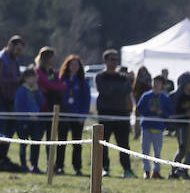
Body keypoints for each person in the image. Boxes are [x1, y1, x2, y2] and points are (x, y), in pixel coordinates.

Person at [95, 50, 135, 178]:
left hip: (122, 114)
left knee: (124, 144)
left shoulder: (123, 77)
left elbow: (127, 90)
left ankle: (127, 169)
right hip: (105, 114)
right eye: (112, 59)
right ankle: (105, 168)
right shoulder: (100, 76)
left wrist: (115, 90)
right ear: (105, 61)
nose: (114, 62)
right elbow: (105, 91)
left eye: (116, 59)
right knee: (103, 143)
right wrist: (118, 90)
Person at [0, 35, 25, 153]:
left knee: (11, 127)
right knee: (1, 127)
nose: (19, 53)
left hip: (11, 99)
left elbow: (18, 77)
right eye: (17, 49)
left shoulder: (15, 60)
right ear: (10, 46)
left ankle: (3, 155)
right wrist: (15, 80)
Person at [57, 55, 90, 175]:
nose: (74, 67)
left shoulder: (82, 82)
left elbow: (86, 100)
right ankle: (59, 166)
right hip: (63, 116)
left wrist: (83, 116)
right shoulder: (61, 79)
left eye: (76, 64)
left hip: (77, 116)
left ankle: (77, 167)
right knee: (61, 142)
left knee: (77, 143)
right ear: (67, 65)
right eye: (72, 64)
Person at [136, 74, 172, 179]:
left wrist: (162, 112)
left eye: (158, 83)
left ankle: (156, 172)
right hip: (146, 127)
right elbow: (139, 108)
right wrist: (148, 109)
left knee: (157, 151)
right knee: (145, 150)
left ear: (162, 85)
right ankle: (146, 171)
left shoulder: (165, 98)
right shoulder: (146, 96)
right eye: (154, 82)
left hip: (158, 128)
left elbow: (169, 112)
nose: (155, 84)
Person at [13, 68, 45, 172]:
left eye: (35, 77)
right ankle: (23, 165)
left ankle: (34, 165)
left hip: (35, 121)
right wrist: (27, 116)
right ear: (26, 78)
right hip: (23, 121)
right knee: (24, 143)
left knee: (36, 142)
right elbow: (18, 106)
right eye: (31, 77)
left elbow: (41, 103)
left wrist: (37, 92)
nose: (34, 79)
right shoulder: (21, 90)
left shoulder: (36, 90)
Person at [169, 73, 190, 179]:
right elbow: (173, 112)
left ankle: (184, 170)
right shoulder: (176, 96)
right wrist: (185, 113)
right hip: (182, 126)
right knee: (182, 150)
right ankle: (173, 172)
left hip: (188, 125)